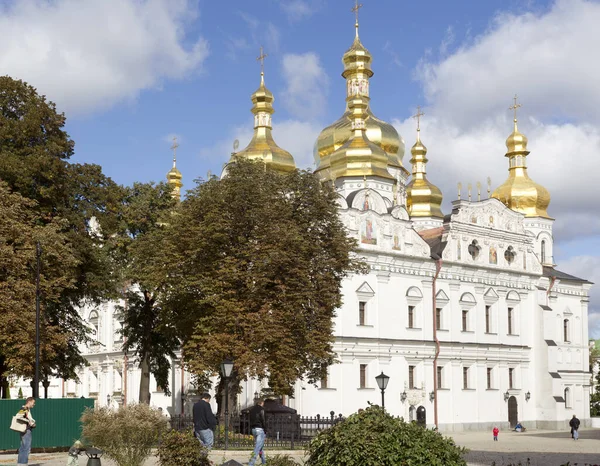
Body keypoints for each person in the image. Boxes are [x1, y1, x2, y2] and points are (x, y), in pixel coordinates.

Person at [16, 397, 36, 466]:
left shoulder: (26, 409)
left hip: (25, 430)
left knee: (23, 447)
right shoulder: (25, 408)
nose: (34, 404)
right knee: (26, 448)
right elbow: (18, 416)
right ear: (29, 402)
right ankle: (23, 463)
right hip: (26, 430)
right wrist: (29, 422)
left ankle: (20, 463)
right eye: (33, 402)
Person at [248, 398, 267, 466]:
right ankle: (251, 463)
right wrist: (265, 430)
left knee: (260, 447)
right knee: (257, 447)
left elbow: (250, 420)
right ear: (262, 403)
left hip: (253, 429)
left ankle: (264, 462)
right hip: (260, 429)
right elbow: (263, 420)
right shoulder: (262, 409)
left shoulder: (251, 410)